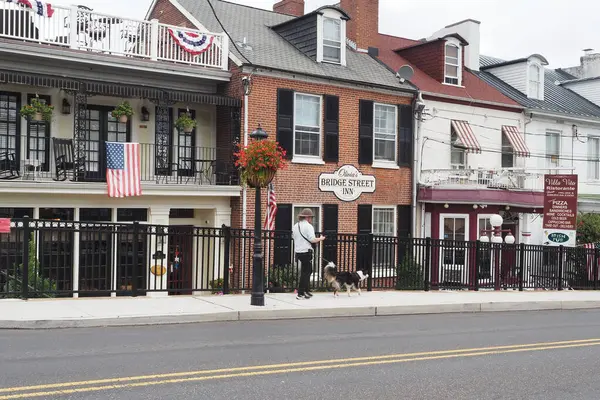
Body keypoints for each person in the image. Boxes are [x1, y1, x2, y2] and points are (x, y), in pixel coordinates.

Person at [292, 208, 326, 300]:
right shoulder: (309, 226)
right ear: (307, 217)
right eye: (311, 217)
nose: (311, 219)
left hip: (298, 252)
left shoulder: (296, 226)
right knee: (306, 273)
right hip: (306, 251)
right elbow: (312, 239)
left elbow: (294, 237)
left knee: (306, 271)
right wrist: (321, 239)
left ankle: (306, 291)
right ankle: (301, 293)